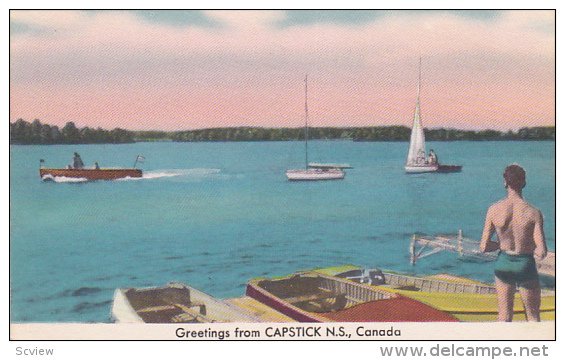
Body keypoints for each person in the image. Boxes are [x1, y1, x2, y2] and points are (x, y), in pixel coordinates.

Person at [480, 164, 547, 322]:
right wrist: (528, 246)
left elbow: (483, 247)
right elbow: (542, 252)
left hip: (504, 263)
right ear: (524, 183)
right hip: (525, 264)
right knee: (532, 316)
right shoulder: (534, 212)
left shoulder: (494, 209)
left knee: (504, 316)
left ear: (505, 182)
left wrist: (501, 245)